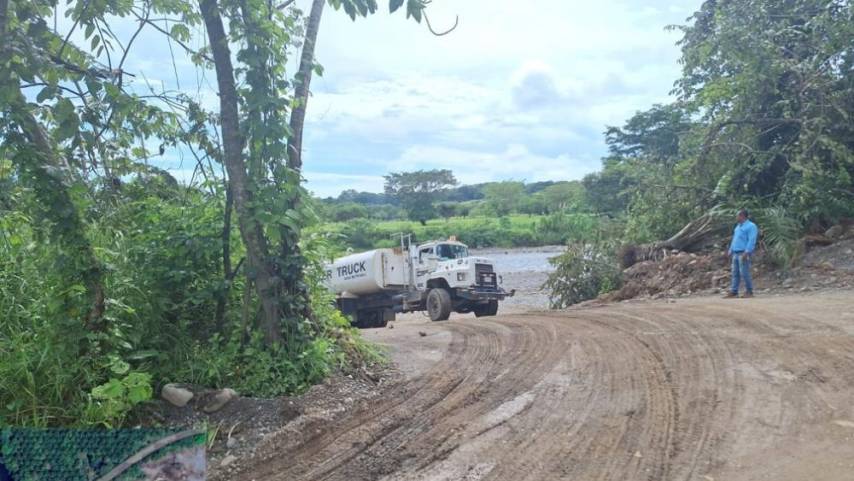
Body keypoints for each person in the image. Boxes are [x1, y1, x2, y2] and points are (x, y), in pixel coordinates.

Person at [725, 208, 758, 298]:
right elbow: (734, 239)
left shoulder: (751, 226)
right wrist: (730, 250)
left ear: (742, 216)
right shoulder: (738, 227)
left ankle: (749, 291)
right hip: (735, 252)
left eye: (738, 215)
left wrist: (747, 252)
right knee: (735, 273)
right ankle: (734, 291)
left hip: (743, 252)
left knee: (744, 272)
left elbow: (752, 240)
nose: (736, 217)